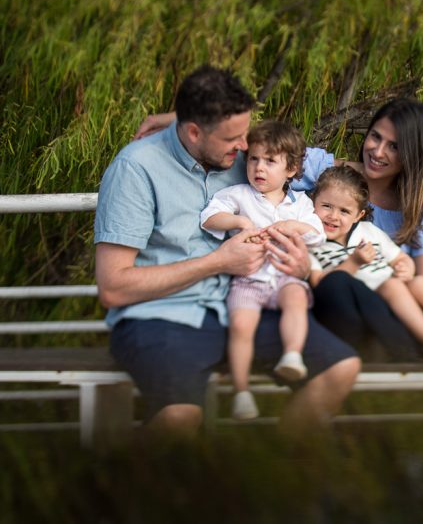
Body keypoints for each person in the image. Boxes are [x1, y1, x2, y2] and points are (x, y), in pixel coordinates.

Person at [134, 97, 423, 362]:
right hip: (340, 299)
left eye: (394, 146)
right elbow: (263, 138)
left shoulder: (419, 213)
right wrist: (181, 120)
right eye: (375, 136)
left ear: (412, 154)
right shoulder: (322, 172)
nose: (378, 151)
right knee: (342, 285)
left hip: (399, 302)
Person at [96, 65, 359, 439]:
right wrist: (218, 262)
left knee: (341, 367)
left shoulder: (248, 157)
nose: (244, 148)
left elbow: (313, 164)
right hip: (164, 317)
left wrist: (301, 266)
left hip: (241, 304)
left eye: (245, 135)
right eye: (234, 139)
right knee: (180, 418)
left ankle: (281, 471)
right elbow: (113, 287)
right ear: (193, 132)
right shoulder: (135, 169)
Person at [200, 120, 326, 421]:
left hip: (284, 275)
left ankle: (292, 355)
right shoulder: (238, 196)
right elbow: (209, 217)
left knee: (296, 300)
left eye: (271, 161)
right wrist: (239, 222)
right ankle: (242, 392)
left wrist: (295, 226)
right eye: (254, 158)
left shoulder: (300, 204)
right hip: (249, 279)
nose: (259, 167)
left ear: (292, 169)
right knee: (242, 325)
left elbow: (318, 235)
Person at [307, 166, 423, 365]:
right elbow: (320, 284)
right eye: (326, 206)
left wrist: (406, 268)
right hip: (369, 307)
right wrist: (353, 263)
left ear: (358, 215)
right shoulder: (311, 243)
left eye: (344, 211)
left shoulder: (368, 231)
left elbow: (398, 258)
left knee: (420, 282)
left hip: (400, 297)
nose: (333, 216)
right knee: (391, 285)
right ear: (312, 203)